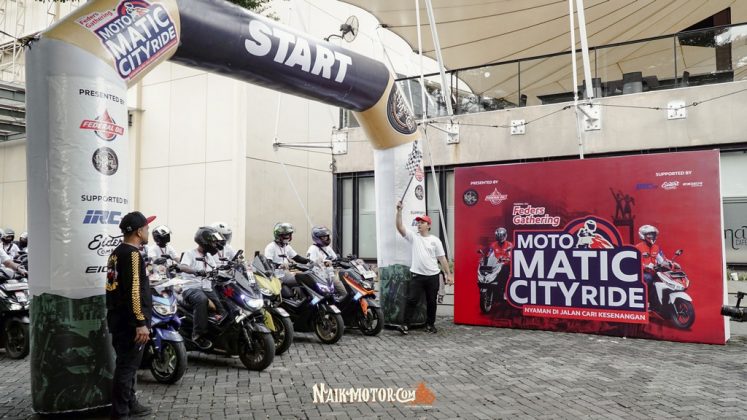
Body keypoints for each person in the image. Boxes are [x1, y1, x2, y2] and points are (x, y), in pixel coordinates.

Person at [105, 211, 155, 419]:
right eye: (146, 228)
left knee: (128, 365)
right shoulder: (133, 255)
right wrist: (140, 322)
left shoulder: (116, 253)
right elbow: (134, 291)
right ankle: (120, 413)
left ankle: (130, 403)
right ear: (138, 232)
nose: (148, 231)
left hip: (118, 319)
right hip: (130, 323)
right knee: (126, 368)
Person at [395, 201, 453, 334]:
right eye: (418, 222)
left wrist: (449, 274)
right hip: (417, 276)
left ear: (429, 225)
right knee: (412, 300)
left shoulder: (435, 240)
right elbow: (399, 227)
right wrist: (399, 211)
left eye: (422, 222)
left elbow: (442, 258)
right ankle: (405, 325)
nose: (419, 224)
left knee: (431, 302)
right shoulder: (414, 237)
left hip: (433, 276)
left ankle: (430, 325)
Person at [178, 226, 226, 350]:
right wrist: (196, 271)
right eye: (213, 242)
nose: (215, 245)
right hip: (191, 288)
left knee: (223, 307)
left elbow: (215, 270)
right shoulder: (190, 253)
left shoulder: (209, 257)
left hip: (207, 288)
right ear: (204, 241)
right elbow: (182, 267)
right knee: (201, 300)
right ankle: (198, 336)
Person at [306, 226, 347, 301]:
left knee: (343, 292)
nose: (326, 238)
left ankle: (338, 304)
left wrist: (343, 260)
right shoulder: (313, 249)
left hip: (330, 274)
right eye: (323, 237)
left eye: (326, 236)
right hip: (320, 275)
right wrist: (321, 262)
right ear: (317, 238)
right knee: (328, 295)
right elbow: (310, 263)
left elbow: (335, 258)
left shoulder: (327, 247)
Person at [264, 222, 311, 287]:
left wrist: (310, 261)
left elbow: (297, 258)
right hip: (277, 275)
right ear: (278, 235)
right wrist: (280, 265)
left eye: (289, 235)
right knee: (302, 279)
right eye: (286, 235)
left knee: (307, 276)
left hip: (286, 273)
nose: (288, 237)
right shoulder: (271, 247)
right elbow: (268, 263)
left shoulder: (287, 246)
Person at [634, 224, 668, 303]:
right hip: (642, 273)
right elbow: (635, 262)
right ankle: (647, 301)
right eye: (649, 234)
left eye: (653, 234)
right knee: (648, 278)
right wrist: (645, 266)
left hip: (654, 271)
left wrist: (669, 263)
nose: (651, 236)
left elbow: (662, 259)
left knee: (666, 278)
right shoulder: (637, 247)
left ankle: (663, 302)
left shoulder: (656, 247)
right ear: (642, 235)